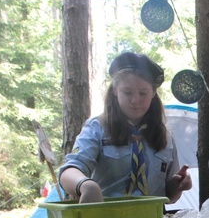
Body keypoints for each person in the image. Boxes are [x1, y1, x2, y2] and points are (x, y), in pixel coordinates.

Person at [59, 52, 191, 204]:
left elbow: (169, 198)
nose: (135, 100)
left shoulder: (166, 137)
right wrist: (86, 185)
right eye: (127, 92)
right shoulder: (97, 128)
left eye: (143, 93)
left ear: (153, 93)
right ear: (115, 91)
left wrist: (177, 186)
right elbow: (69, 171)